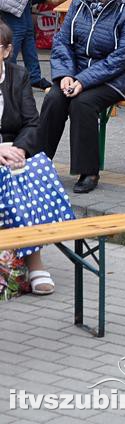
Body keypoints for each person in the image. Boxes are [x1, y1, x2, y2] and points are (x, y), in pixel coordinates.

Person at [38, 0, 125, 194]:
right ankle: (39, 163)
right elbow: (62, 42)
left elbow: (122, 58)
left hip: (119, 76)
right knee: (55, 97)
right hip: (77, 73)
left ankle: (88, 171)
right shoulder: (78, 3)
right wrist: (65, 74)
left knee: (82, 103)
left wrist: (82, 81)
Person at [0, 22, 68, 295]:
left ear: (6, 51)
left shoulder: (18, 75)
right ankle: (34, 262)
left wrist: (19, 149)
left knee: (38, 168)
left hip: (12, 149)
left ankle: (32, 256)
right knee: (11, 182)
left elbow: (32, 122)